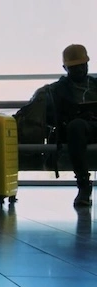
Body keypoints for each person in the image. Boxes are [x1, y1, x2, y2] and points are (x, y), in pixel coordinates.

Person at [49, 44, 97, 207]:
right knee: (76, 126)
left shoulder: (95, 84)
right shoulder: (57, 90)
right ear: (66, 68)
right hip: (77, 128)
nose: (80, 70)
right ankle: (83, 184)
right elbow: (52, 117)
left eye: (83, 66)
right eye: (75, 67)